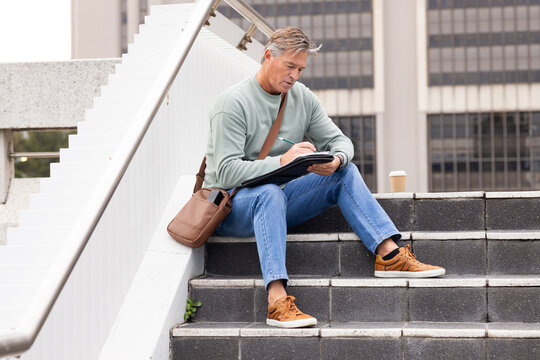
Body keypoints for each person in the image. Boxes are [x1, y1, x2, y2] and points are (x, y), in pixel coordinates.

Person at [204, 27, 445, 329]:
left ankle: (389, 254)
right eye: (290, 66)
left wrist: (336, 159)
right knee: (268, 193)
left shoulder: (301, 98)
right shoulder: (232, 103)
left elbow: (342, 142)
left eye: (301, 69)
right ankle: (277, 300)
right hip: (233, 206)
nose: (295, 75)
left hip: (279, 201)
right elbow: (226, 172)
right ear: (267, 56)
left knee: (345, 172)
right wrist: (282, 160)